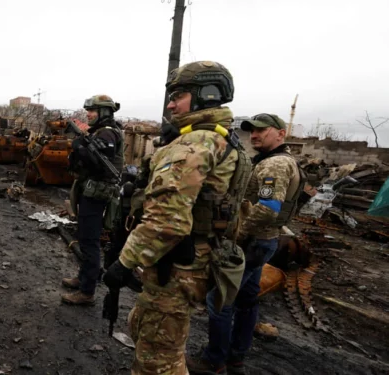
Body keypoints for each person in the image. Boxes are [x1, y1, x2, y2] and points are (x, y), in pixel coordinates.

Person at [103, 61, 249, 375]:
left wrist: (123, 263)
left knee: (157, 358)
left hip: (177, 264)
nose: (170, 103)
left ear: (207, 96)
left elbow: (167, 222)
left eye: (179, 95)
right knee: (154, 334)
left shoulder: (194, 144)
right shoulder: (224, 140)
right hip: (195, 257)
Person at [187, 113, 305, 375]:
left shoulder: (274, 165)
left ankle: (214, 361)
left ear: (280, 134)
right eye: (252, 131)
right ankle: (236, 359)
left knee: (219, 300)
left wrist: (239, 235)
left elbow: (268, 208)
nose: (255, 135)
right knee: (247, 300)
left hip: (252, 242)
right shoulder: (274, 161)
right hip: (265, 241)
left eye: (262, 131)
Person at [61, 95, 124, 305]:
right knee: (85, 236)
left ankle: (87, 291)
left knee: (89, 240)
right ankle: (83, 278)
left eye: (93, 110)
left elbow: (98, 163)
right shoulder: (100, 132)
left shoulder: (107, 133)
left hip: (97, 193)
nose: (88, 114)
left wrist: (79, 147)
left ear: (104, 112)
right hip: (90, 190)